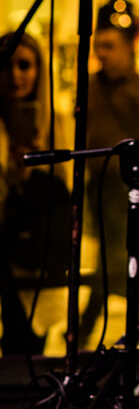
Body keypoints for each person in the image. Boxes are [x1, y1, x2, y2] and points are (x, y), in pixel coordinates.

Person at [79, 0, 139, 345]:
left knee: (122, 270)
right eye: (99, 45)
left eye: (109, 46)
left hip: (131, 192)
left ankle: (88, 332)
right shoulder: (90, 86)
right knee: (114, 269)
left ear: (128, 46)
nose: (102, 54)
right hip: (99, 192)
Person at [0, 31, 63, 354]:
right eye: (6, 65)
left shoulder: (55, 123)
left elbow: (64, 191)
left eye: (24, 65)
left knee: (27, 348)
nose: (15, 75)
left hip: (34, 257)